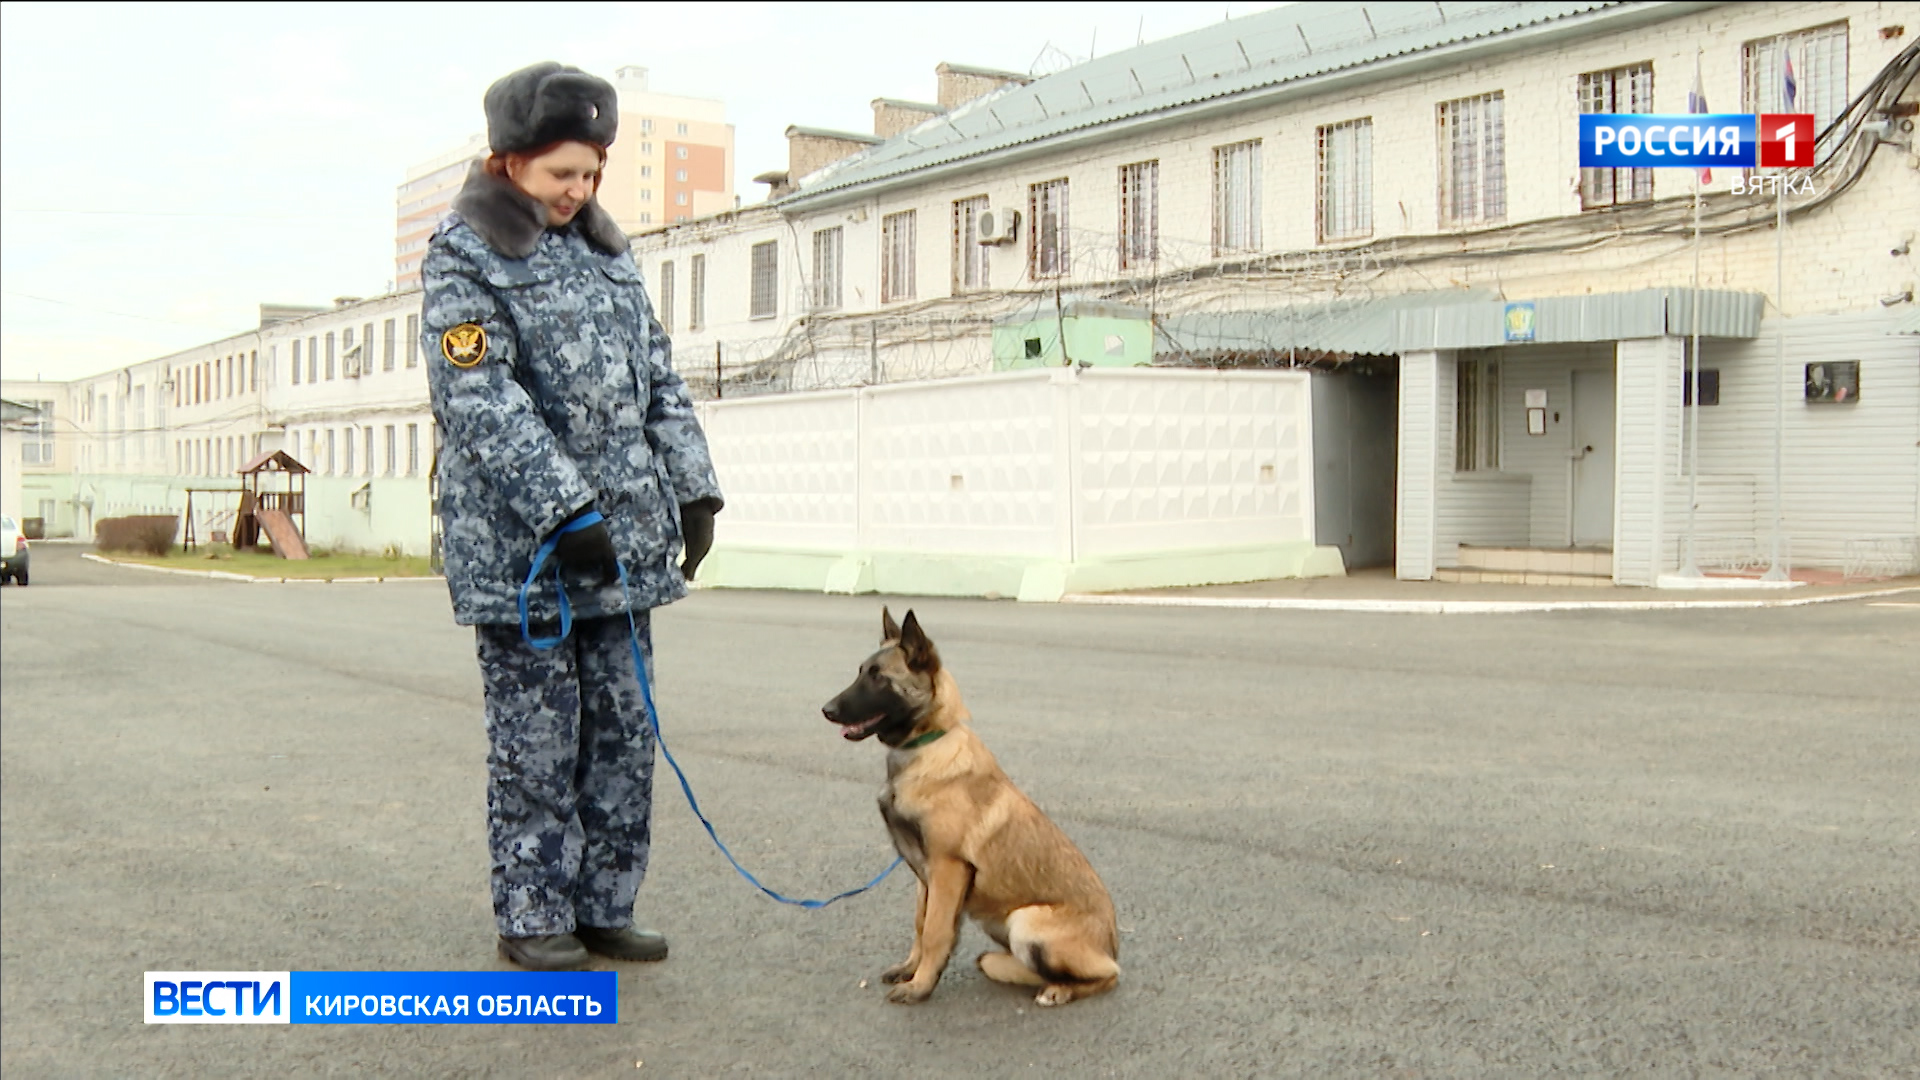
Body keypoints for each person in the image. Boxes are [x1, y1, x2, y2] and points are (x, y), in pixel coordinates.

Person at [421, 62, 724, 972]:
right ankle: (533, 913)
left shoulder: (607, 254)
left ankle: (604, 906)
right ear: (509, 162)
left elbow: (658, 376)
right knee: (538, 742)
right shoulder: (462, 254)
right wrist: (565, 508)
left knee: (624, 738)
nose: (578, 191)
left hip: (624, 549)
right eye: (562, 175)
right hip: (529, 561)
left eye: (590, 174)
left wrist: (694, 485)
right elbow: (477, 396)